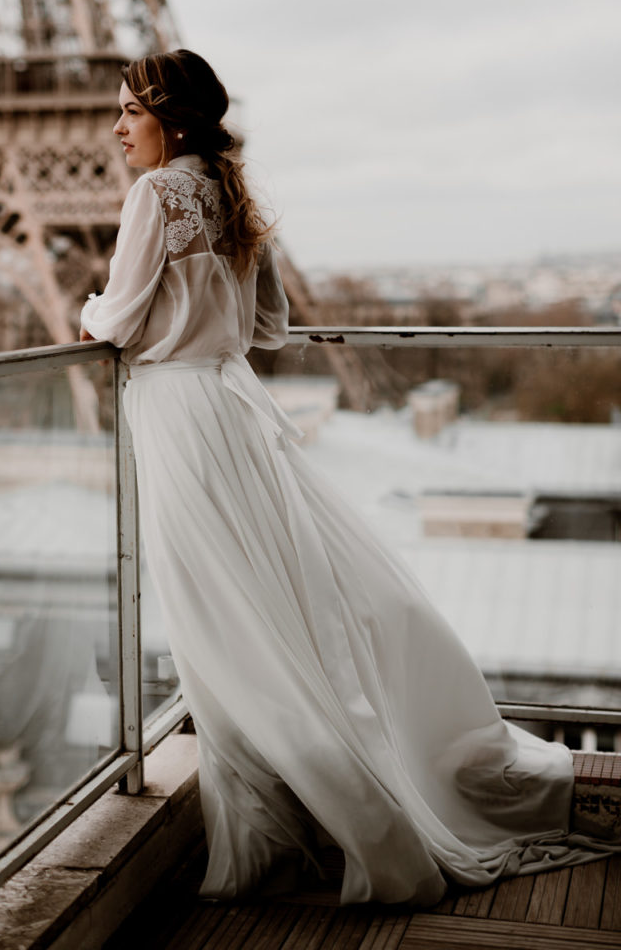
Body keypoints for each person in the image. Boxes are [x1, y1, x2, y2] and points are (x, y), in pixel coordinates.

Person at [80, 49, 611, 905]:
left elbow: (117, 314)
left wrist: (89, 311)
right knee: (274, 611)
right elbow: (272, 328)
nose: (116, 129)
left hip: (179, 418)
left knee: (220, 624)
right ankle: (333, 799)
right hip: (233, 410)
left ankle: (274, 827)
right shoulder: (231, 191)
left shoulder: (154, 195)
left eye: (128, 113)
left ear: (168, 120)